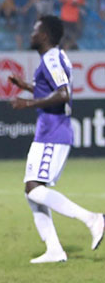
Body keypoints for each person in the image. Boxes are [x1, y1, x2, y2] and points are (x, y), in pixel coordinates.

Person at [8, 15, 104, 263]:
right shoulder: (53, 58)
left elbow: (63, 94)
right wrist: (26, 86)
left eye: (35, 30)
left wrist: (28, 103)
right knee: (31, 190)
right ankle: (54, 250)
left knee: (34, 188)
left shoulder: (51, 58)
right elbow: (51, 90)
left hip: (54, 131)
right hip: (47, 131)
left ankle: (92, 219)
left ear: (44, 35)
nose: (31, 34)